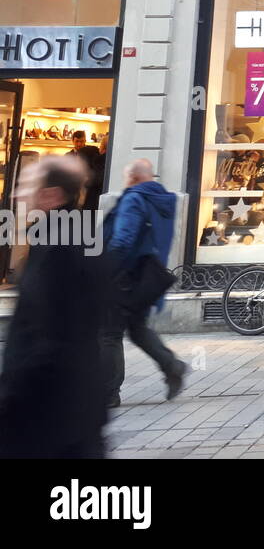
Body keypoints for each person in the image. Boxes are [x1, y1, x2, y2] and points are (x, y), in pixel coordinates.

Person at [0, 158, 108, 459]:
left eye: (26, 186)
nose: (17, 195)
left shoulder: (58, 248)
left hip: (47, 415)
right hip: (72, 409)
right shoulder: (71, 236)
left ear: (51, 196)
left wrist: (11, 395)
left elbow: (47, 336)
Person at [101, 159, 187, 407]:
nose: (125, 181)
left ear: (135, 178)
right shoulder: (160, 199)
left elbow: (123, 240)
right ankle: (173, 366)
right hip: (145, 277)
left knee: (109, 333)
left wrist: (104, 270)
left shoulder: (134, 198)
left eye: (127, 176)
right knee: (137, 328)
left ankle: (108, 394)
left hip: (122, 276)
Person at [67, 130, 104, 210]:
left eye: (82, 141)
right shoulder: (68, 156)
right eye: (77, 141)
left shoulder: (92, 153)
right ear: (72, 141)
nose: (79, 144)